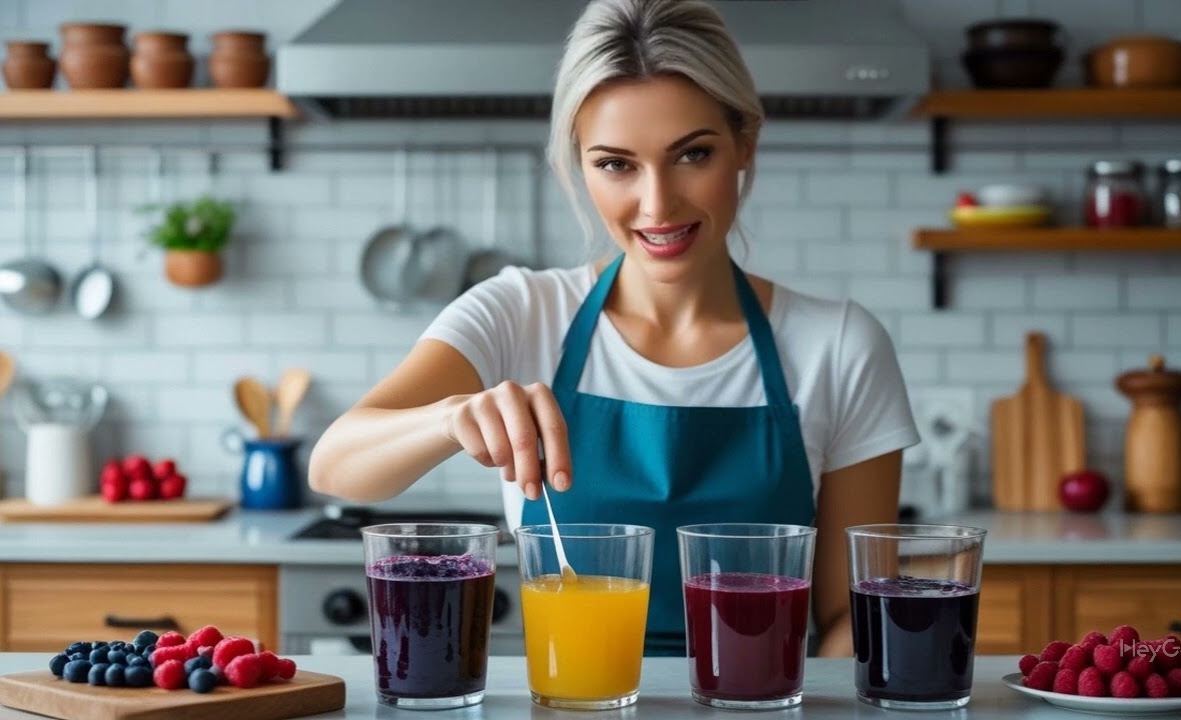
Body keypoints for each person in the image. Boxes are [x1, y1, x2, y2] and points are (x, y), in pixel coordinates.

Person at [309, 0, 919, 657]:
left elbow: (847, 619)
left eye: (693, 154)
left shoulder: (840, 346)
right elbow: (337, 465)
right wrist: (451, 416)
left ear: (745, 142)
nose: (657, 203)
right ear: (579, 162)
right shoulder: (519, 314)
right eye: (616, 164)